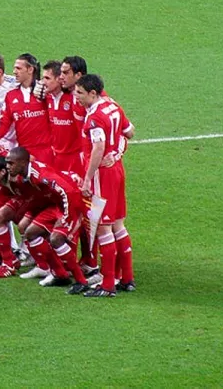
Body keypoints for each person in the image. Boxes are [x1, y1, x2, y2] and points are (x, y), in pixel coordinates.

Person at [74, 74, 135, 297]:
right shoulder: (113, 105)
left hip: (102, 175)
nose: (76, 96)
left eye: (80, 93)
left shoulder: (95, 117)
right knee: (118, 224)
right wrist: (117, 153)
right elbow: (129, 132)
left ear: (92, 93)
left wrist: (88, 177)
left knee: (103, 227)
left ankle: (108, 284)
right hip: (117, 170)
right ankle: (126, 278)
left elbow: (98, 147)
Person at [3, 147, 89, 293]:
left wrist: (66, 216)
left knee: (56, 239)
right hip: (55, 205)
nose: (8, 167)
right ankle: (59, 274)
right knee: (30, 233)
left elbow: (67, 191)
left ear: (23, 163)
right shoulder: (24, 177)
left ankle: (82, 281)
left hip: (72, 203)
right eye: (7, 163)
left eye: (11, 163)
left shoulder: (40, 175)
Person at [0, 53, 53, 164]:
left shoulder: (45, 93)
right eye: (15, 68)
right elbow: (3, 123)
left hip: (47, 153)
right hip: (24, 154)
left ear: (30, 70)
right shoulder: (11, 95)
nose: (14, 71)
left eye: (18, 68)